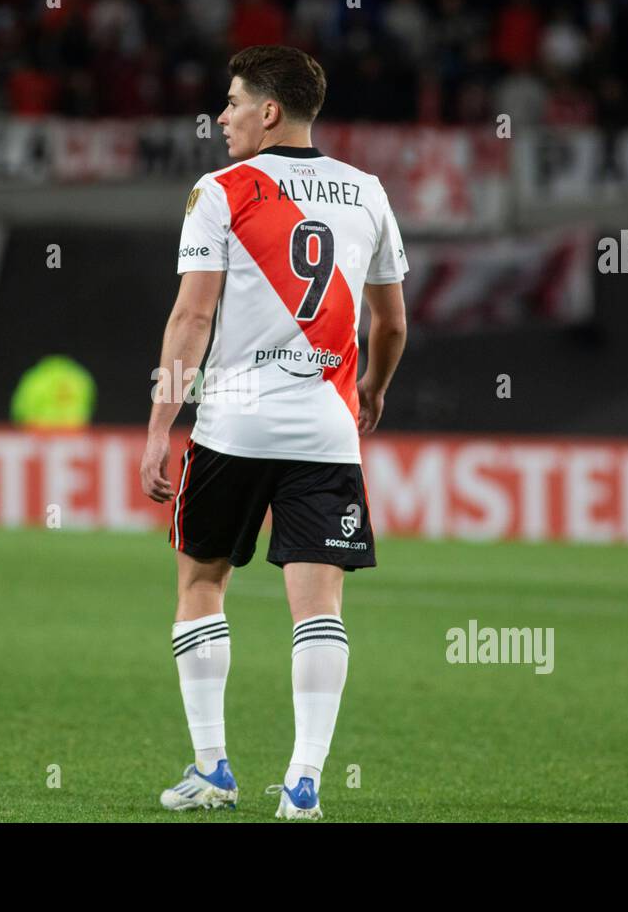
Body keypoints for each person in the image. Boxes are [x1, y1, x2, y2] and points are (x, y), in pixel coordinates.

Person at [139, 45, 409, 820]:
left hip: (233, 426)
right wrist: (373, 389)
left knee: (201, 584)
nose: (221, 117)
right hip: (327, 431)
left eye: (231, 102)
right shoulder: (367, 192)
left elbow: (191, 317)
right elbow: (391, 323)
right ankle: (304, 783)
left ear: (268, 111)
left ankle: (212, 770)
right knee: (319, 609)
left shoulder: (220, 191)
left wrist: (160, 425)